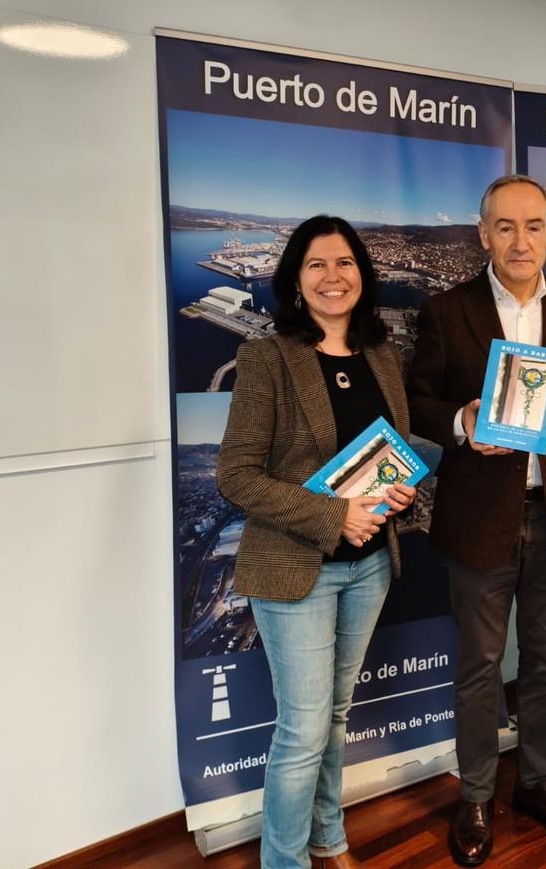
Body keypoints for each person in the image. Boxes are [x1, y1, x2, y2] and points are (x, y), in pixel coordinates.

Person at [406, 175, 546, 866]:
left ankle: (537, 783)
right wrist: (464, 421)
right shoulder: (447, 310)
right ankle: (474, 797)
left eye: (533, 226)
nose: (520, 240)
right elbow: (417, 403)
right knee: (479, 667)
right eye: (505, 226)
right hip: (479, 519)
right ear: (482, 234)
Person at [217, 215, 416, 869]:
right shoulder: (268, 356)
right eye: (317, 265)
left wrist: (401, 493)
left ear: (364, 273)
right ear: (296, 281)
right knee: (302, 733)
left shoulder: (382, 355)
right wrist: (335, 517)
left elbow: (393, 455)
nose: (333, 278)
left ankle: (329, 840)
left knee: (333, 719)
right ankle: (285, 861)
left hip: (370, 568)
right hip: (295, 569)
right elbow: (237, 476)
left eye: (345, 264)